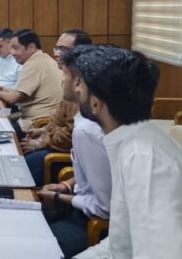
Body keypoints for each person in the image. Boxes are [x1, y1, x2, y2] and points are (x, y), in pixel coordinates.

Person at [73, 45, 182, 259]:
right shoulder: (131, 142)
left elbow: (159, 254)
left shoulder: (143, 158)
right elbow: (121, 243)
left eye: (81, 84)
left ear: (95, 104)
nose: (76, 90)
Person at [38, 47, 111, 258]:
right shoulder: (88, 122)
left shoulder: (87, 130)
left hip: (91, 223)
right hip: (82, 206)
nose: (61, 79)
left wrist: (59, 197)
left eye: (64, 73)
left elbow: (104, 208)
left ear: (79, 83)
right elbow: (100, 175)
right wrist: (67, 185)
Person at [22, 29, 93, 185]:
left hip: (64, 156)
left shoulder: (82, 85)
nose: (56, 53)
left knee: (23, 167)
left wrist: (43, 142)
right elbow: (58, 119)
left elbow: (70, 135)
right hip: (55, 142)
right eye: (56, 48)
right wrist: (44, 130)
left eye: (63, 49)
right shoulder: (69, 77)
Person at [0, 29, 62, 131]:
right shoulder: (42, 58)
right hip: (40, 118)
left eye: (16, 48)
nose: (12, 53)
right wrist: (1, 89)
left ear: (31, 47)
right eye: (11, 48)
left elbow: (13, 98)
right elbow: (20, 93)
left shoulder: (33, 64)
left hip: (40, 122)